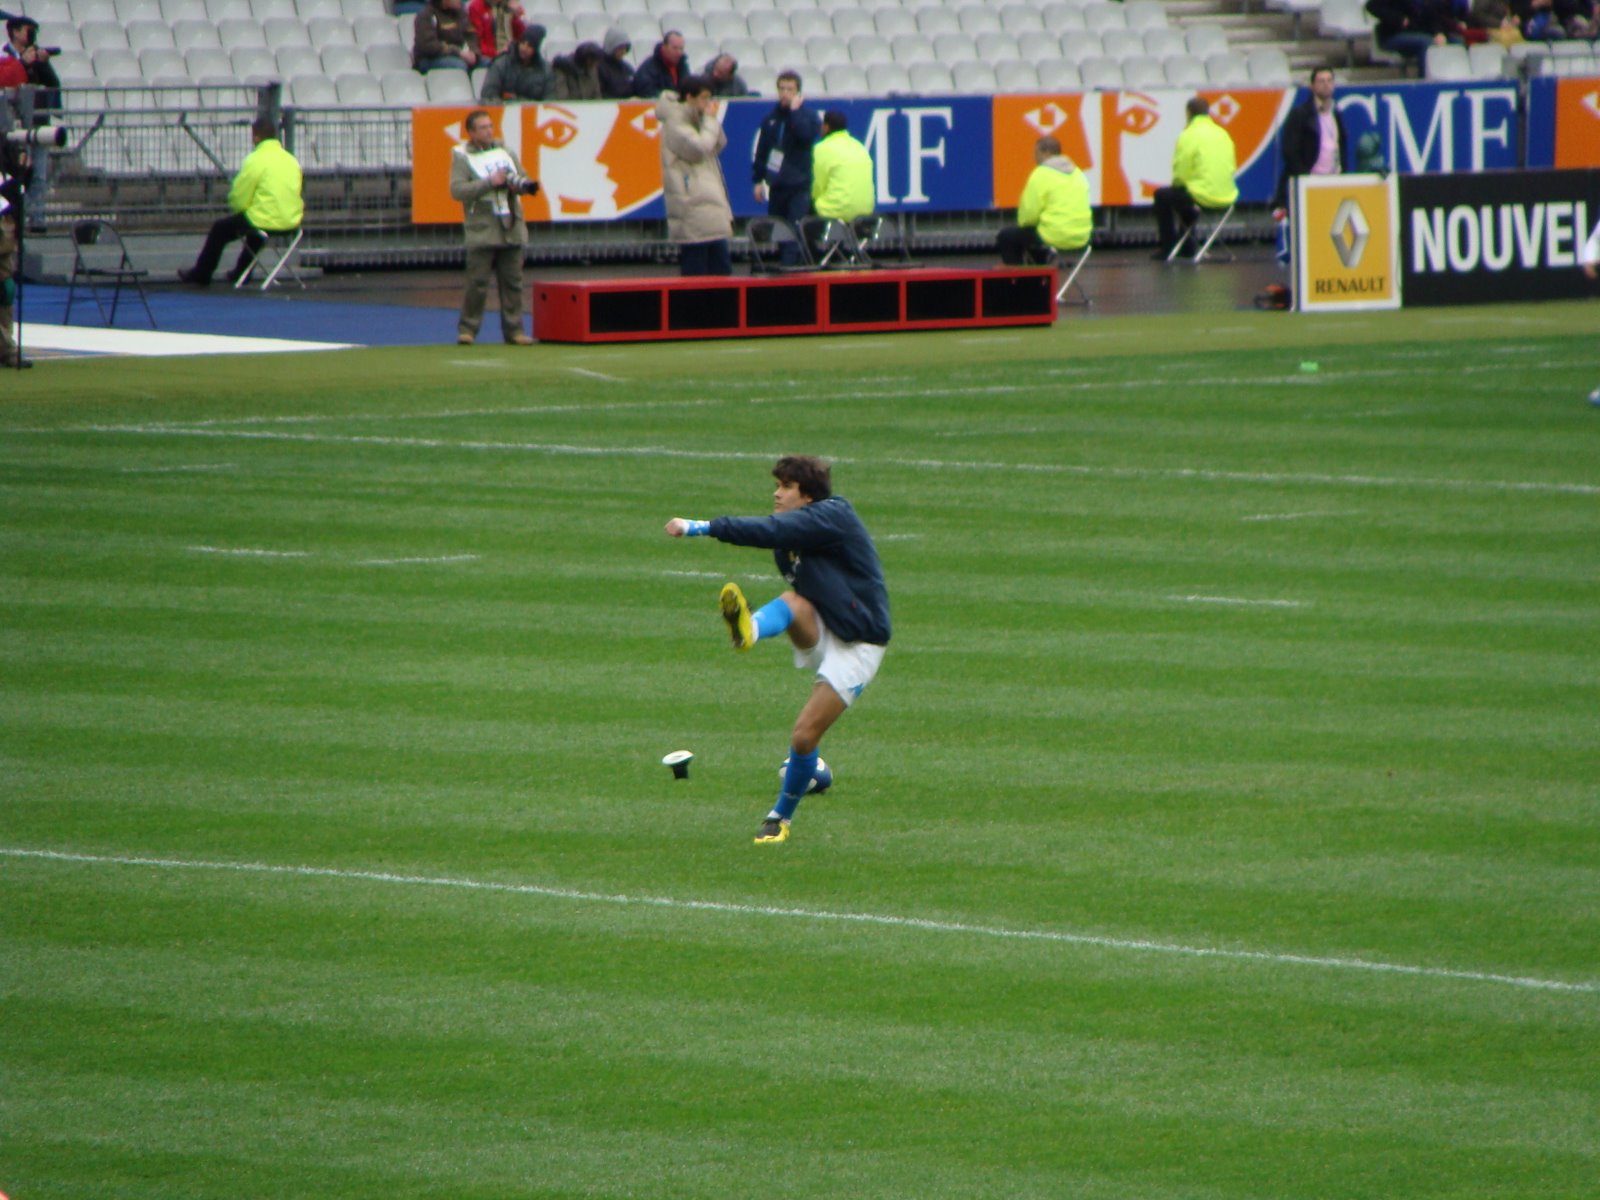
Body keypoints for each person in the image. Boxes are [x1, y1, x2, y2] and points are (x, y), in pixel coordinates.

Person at [664, 455, 891, 846]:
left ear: (808, 496)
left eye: (786, 487)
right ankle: (749, 630)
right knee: (791, 602)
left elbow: (768, 529)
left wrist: (699, 527)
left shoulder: (833, 515)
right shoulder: (790, 542)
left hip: (859, 644)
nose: (776, 493)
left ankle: (780, 817)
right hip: (826, 625)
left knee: (803, 737)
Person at [177, 116, 303, 287]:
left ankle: (202, 274)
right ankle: (242, 272)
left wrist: (238, 208)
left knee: (220, 229)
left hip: (266, 218)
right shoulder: (291, 160)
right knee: (257, 230)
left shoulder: (256, 159)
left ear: (256, 137)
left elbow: (240, 194)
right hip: (291, 221)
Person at [449, 109, 536, 345]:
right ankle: (468, 329)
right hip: (482, 228)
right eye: (483, 127)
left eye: (490, 126)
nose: (489, 131)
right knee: (477, 283)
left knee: (513, 282)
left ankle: (515, 331)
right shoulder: (462, 156)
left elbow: (523, 177)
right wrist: (489, 182)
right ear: (471, 132)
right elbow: (457, 190)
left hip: (510, 224)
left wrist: (518, 185)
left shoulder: (506, 151)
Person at [657, 75, 732, 276]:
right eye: (704, 98)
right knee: (696, 271)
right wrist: (710, 122)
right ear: (689, 98)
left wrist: (709, 122)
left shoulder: (699, 120)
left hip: (709, 203)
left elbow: (718, 144)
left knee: (722, 270)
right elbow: (698, 150)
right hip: (692, 205)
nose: (708, 103)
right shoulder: (675, 122)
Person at [1151, 96, 1238, 260]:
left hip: (1202, 195)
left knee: (1165, 195)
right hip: (1228, 195)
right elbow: (1232, 165)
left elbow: (1181, 173)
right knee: (1187, 194)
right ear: (1208, 112)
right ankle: (1188, 245)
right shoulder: (1223, 134)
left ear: (1188, 113)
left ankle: (1167, 247)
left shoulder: (1188, 135)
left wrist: (1178, 184)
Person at [751, 69, 821, 266]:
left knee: (795, 228)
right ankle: (784, 265)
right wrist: (758, 180)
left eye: (790, 89)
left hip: (799, 184)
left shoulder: (809, 116)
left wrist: (795, 112)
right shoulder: (771, 119)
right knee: (779, 229)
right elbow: (762, 150)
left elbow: (805, 136)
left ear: (798, 92)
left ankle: (791, 267)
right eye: (782, 89)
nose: (785, 93)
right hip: (777, 184)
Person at [996, 135, 1092, 265]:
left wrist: (1024, 223)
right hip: (1082, 238)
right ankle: (1040, 272)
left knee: (1007, 237)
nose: (1034, 157)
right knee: (1035, 237)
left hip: (1055, 236)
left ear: (1046, 153)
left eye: (1036, 153)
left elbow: (1028, 216)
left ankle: (1017, 275)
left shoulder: (1041, 174)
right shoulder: (1078, 173)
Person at [1273, 67, 1349, 214]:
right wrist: (1306, 178)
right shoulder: (1300, 114)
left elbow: (1341, 146)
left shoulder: (1336, 114)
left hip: (1333, 182)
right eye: (1321, 81)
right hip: (1309, 183)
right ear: (1312, 86)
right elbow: (1290, 151)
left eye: (1329, 81)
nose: (1326, 84)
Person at [811, 109, 874, 223]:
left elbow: (816, 187)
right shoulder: (859, 147)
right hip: (865, 212)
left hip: (834, 213)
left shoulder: (820, 149)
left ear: (826, 127)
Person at [0, 138, 30, 368]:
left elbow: (18, 186)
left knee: (5, 290)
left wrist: (22, 173)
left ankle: (6, 347)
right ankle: (7, 348)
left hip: (5, 221)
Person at [479, 25, 551, 102]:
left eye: (529, 46)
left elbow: (550, 100)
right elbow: (488, 94)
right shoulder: (502, 63)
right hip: (504, 107)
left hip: (533, 108)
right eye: (522, 43)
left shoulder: (544, 70)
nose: (524, 48)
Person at [412, 0, 479, 73]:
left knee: (485, 64)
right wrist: (458, 52)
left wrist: (473, 51)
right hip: (431, 58)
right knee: (459, 66)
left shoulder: (460, 13)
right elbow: (428, 46)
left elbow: (470, 34)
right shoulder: (426, 15)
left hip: (458, 54)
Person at [631, 30, 689, 98]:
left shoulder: (683, 66)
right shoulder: (648, 68)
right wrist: (663, 95)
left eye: (681, 48)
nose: (679, 52)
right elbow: (645, 91)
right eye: (674, 48)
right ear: (664, 47)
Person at [597, 26, 634, 98]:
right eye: (620, 48)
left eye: (625, 48)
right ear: (611, 46)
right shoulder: (599, 67)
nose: (623, 51)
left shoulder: (627, 68)